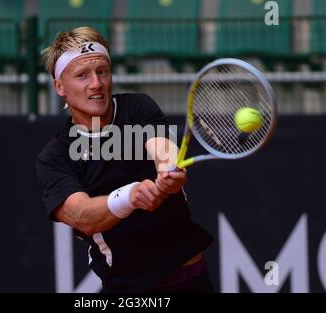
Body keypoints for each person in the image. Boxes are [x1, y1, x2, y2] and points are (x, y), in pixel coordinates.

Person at [36, 26, 214, 293]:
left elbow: (163, 152)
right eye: (82, 75)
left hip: (190, 280)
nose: (96, 83)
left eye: (102, 72)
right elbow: (82, 216)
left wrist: (168, 174)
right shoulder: (54, 157)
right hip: (128, 290)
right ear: (59, 86)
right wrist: (129, 196)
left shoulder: (138, 107)